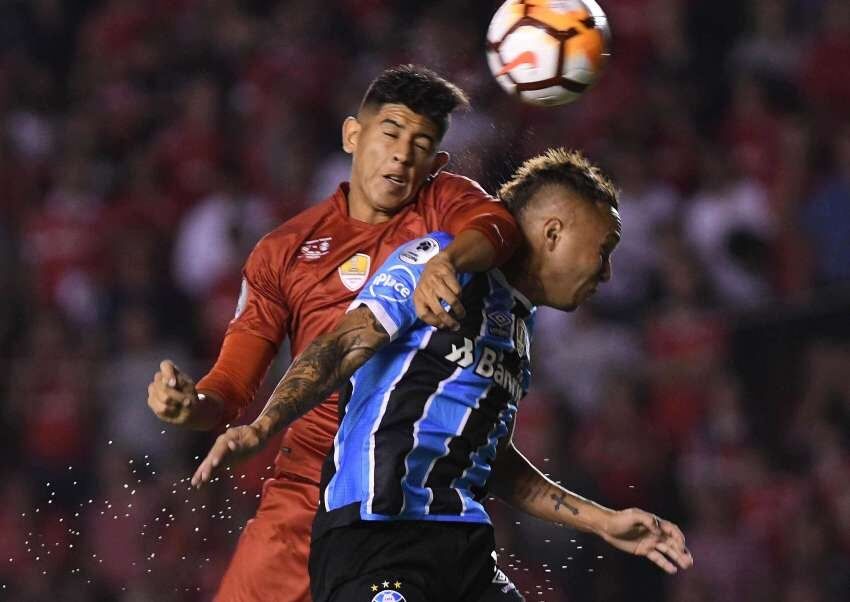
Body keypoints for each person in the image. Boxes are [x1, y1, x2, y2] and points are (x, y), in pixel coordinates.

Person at [192, 148, 695, 602]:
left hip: (465, 551)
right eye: (604, 249)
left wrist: (603, 521)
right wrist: (263, 425)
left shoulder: (519, 324)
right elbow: (343, 343)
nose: (607, 272)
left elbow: (490, 458)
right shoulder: (441, 261)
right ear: (553, 233)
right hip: (378, 536)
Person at [146, 65, 521, 601]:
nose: (402, 155)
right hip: (304, 490)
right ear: (352, 135)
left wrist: (449, 259)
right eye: (390, 133)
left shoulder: (443, 205)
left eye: (420, 145)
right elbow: (232, 384)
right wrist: (194, 407)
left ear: (436, 164)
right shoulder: (284, 251)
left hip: (400, 495)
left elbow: (499, 228)